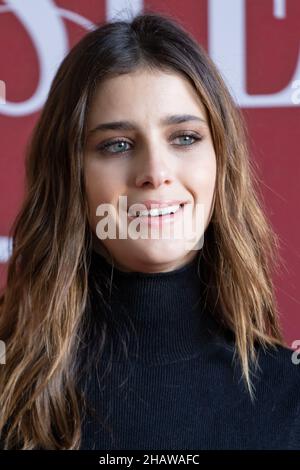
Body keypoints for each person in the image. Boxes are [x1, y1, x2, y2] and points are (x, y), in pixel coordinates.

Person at [0, 11, 299, 451]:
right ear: (70, 175)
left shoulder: (289, 393)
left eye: (184, 138)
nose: (155, 173)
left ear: (221, 162)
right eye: (117, 145)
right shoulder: (10, 386)